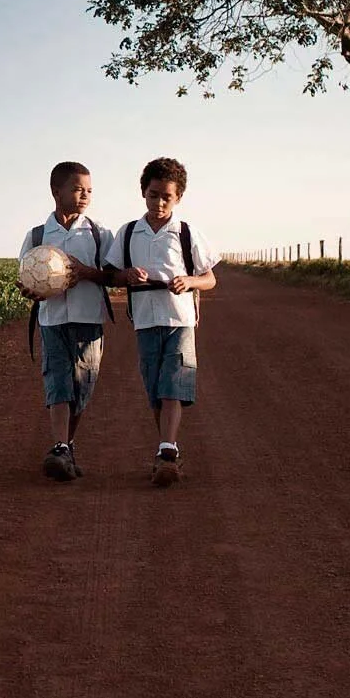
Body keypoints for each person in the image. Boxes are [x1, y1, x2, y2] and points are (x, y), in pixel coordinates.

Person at [107, 157, 218, 488]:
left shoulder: (186, 233)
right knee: (155, 388)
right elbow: (112, 273)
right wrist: (126, 276)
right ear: (143, 192)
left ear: (178, 198)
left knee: (173, 382)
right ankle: (166, 448)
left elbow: (209, 278)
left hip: (179, 318)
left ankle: (167, 450)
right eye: (153, 194)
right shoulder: (129, 233)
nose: (158, 203)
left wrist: (189, 282)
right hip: (144, 319)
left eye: (166, 197)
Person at [18, 161, 114, 481]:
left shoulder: (99, 234)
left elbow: (113, 275)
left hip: (89, 318)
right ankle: (59, 446)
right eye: (77, 189)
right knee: (58, 381)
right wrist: (31, 291)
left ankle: (67, 445)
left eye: (89, 190)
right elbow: (27, 276)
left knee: (81, 388)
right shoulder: (37, 236)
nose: (85, 195)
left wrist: (84, 272)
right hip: (52, 319)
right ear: (55, 191)